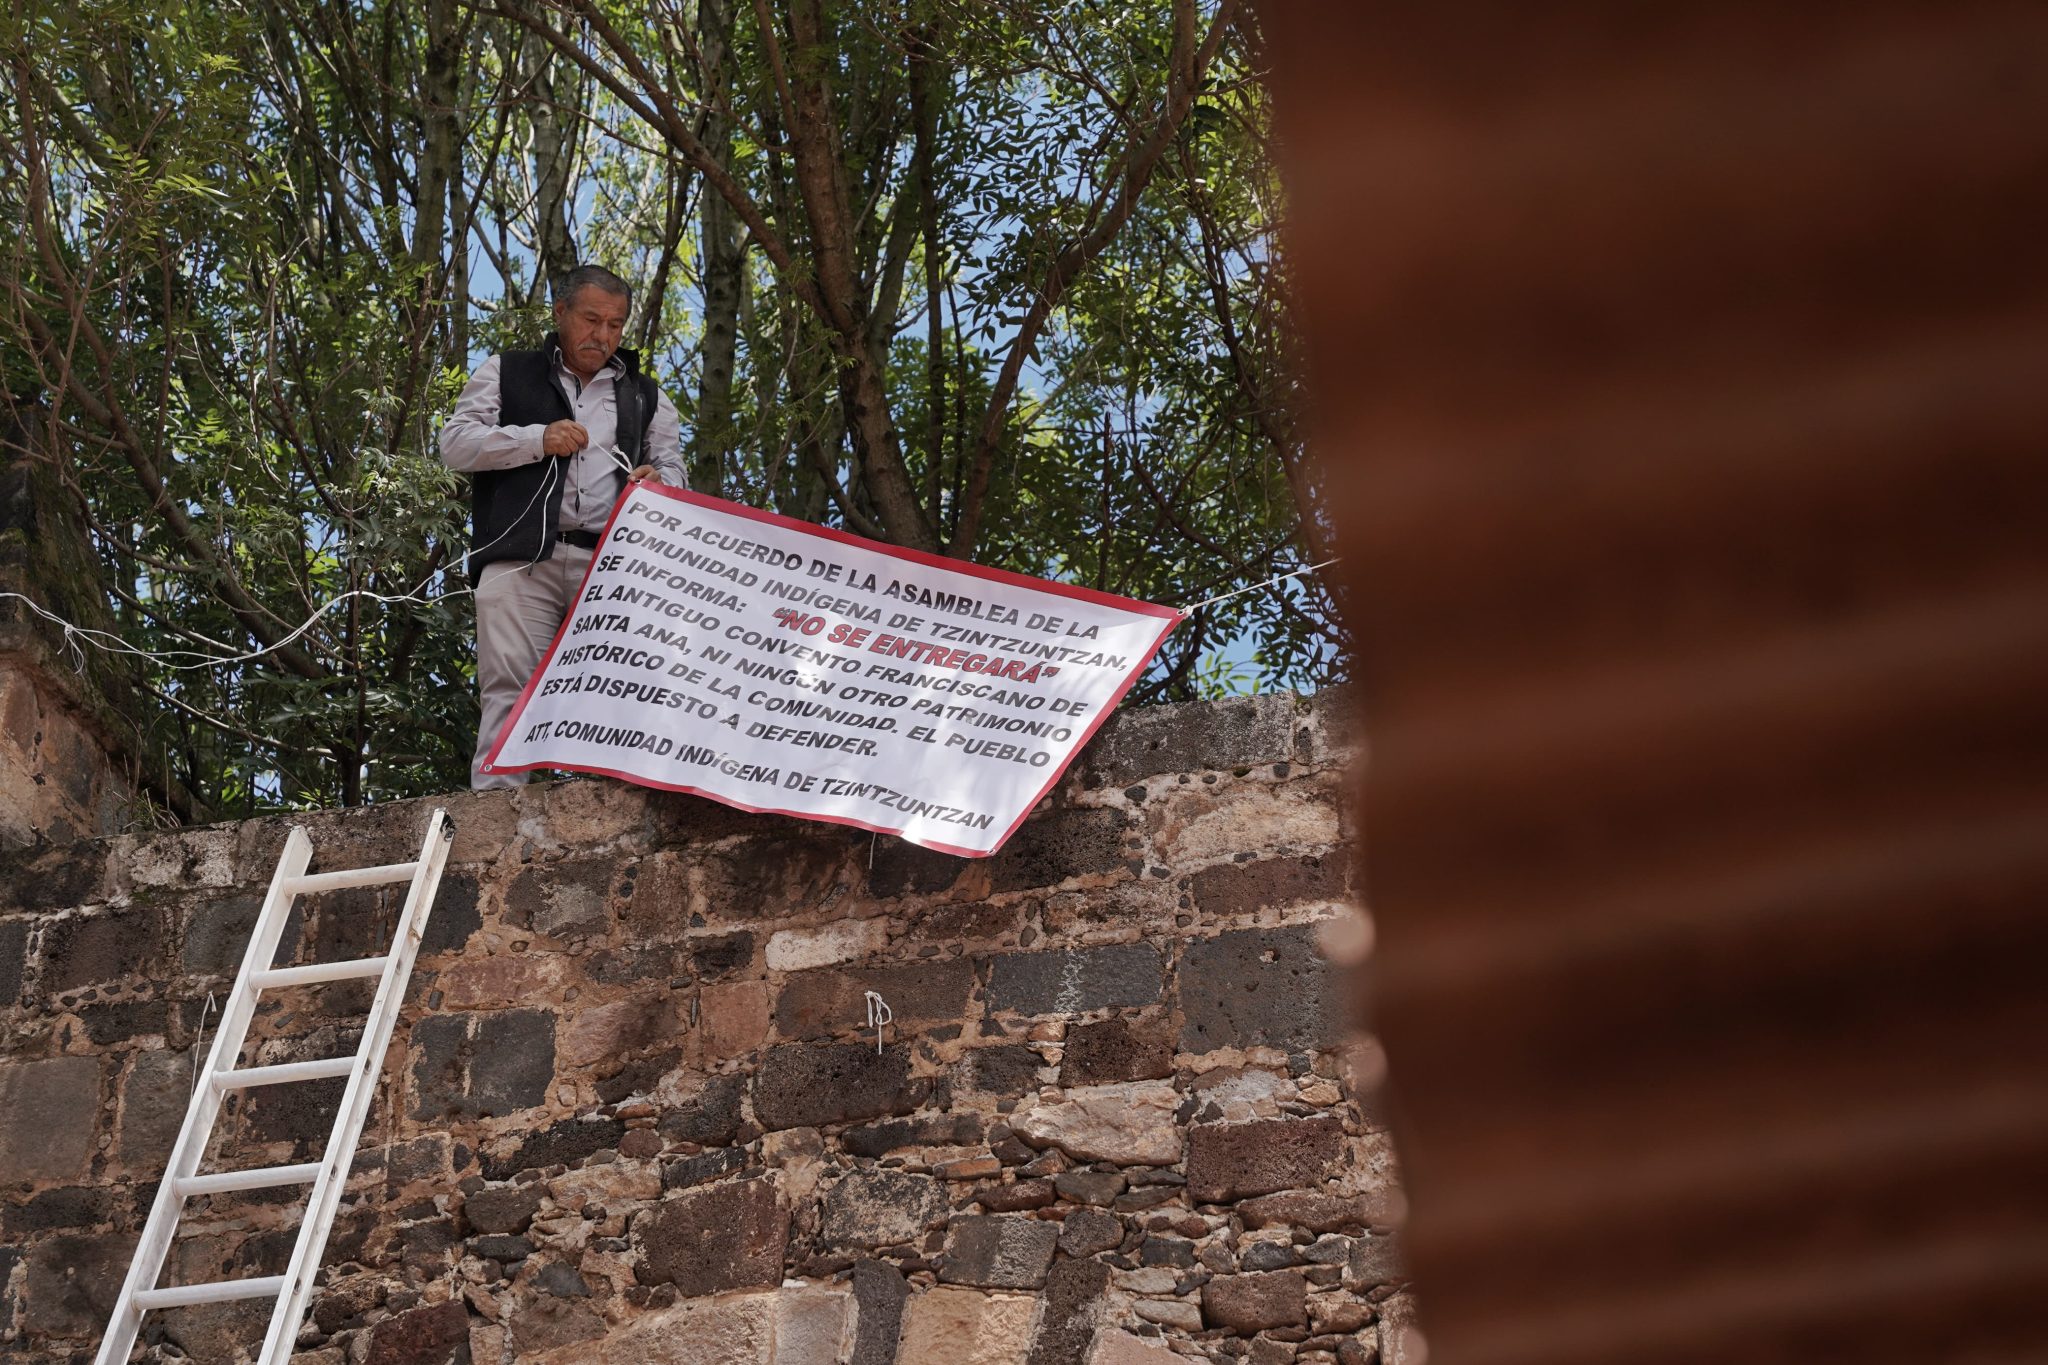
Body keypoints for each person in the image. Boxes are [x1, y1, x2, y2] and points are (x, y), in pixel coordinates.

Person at [440, 264, 686, 789]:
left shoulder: (645, 394)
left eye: (615, 325)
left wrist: (657, 481)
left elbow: (675, 471)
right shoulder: (507, 370)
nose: (603, 335)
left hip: (611, 568)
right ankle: (495, 818)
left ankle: (614, 814)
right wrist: (536, 440)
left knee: (621, 690)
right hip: (520, 559)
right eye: (592, 319)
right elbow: (455, 444)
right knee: (510, 687)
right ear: (560, 312)